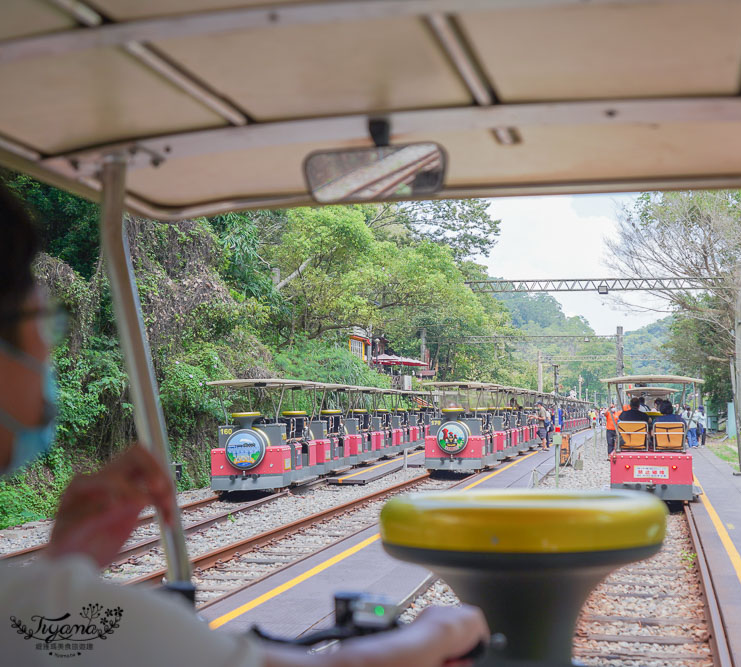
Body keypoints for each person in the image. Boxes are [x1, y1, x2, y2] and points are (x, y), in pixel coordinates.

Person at [0, 186, 489, 667]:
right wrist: (444, 628)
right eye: (45, 321)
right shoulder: (81, 622)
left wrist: (64, 566)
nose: (48, 347)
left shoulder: (30, 606)